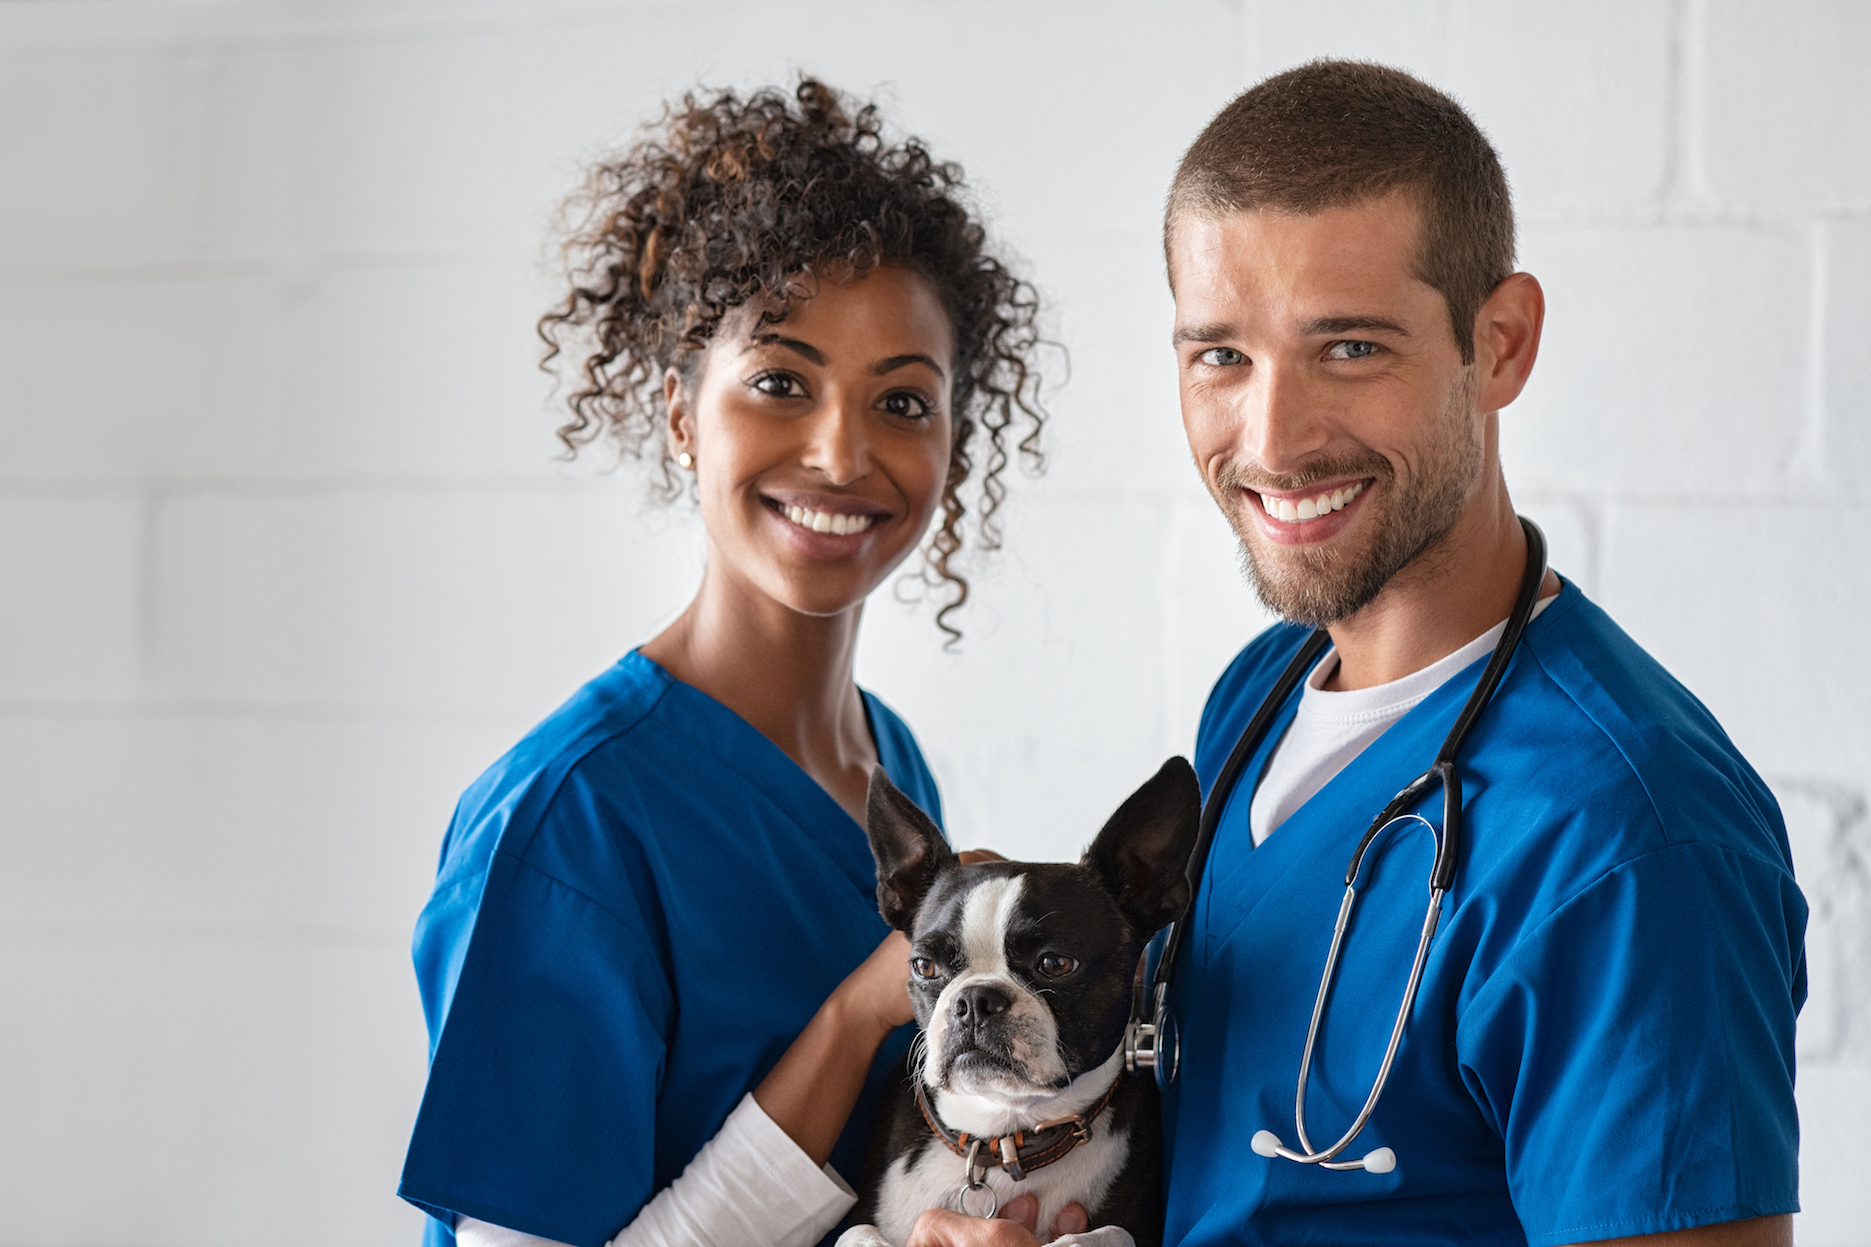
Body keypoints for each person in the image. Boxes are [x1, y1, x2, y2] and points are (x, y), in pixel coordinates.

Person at [904, 60, 1804, 1247]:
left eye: (1349, 348)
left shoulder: (1624, 835)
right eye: (1220, 355)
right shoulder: (1260, 695)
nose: (1272, 439)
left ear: (1499, 343)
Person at [397, 79, 1051, 1247]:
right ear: (680, 413)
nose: (841, 451)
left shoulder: (887, 765)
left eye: (902, 399)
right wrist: (853, 1016)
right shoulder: (568, 822)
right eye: (780, 382)